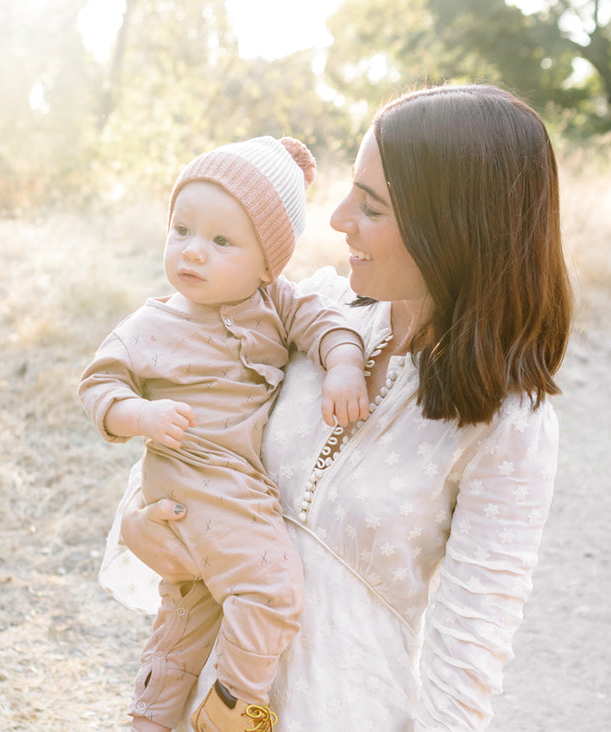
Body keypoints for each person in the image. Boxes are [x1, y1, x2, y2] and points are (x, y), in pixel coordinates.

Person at [100, 84, 573, 731]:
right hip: (200, 695)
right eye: (350, 189)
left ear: (454, 228)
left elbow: (469, 648)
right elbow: (188, 431)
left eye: (371, 206)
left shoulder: (508, 424)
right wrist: (144, 518)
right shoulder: (307, 312)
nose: (338, 218)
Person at [79, 136, 370, 731]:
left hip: (222, 499)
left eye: (220, 241)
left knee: (184, 623)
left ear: (268, 262)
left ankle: (150, 719)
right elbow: (97, 386)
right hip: (201, 484)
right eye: (181, 229)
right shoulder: (151, 322)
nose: (193, 252)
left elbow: (329, 324)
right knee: (272, 590)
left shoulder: (278, 302)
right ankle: (232, 709)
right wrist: (139, 415)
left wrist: (343, 364)